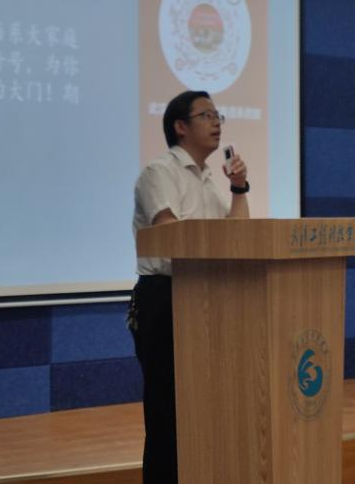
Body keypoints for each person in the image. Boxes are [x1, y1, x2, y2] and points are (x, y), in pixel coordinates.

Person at [128, 90, 250, 484]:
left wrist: (239, 189)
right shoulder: (158, 173)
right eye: (206, 115)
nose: (216, 123)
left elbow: (238, 237)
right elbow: (171, 235)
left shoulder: (210, 180)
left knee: (206, 407)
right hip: (165, 297)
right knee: (167, 410)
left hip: (206, 298)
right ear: (180, 126)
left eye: (218, 116)